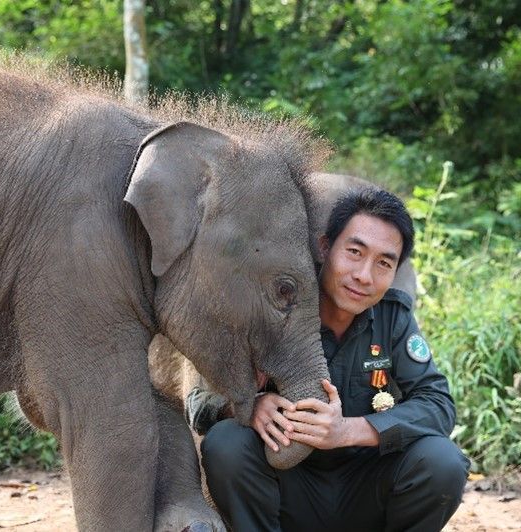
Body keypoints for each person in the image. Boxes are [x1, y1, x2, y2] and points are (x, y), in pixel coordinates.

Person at [186, 188, 469, 532]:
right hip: (287, 487)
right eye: (354, 252)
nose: (364, 275)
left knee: (443, 462)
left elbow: (438, 405)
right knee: (227, 443)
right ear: (324, 248)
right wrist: (247, 406)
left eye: (383, 263)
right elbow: (198, 403)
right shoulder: (274, 307)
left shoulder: (392, 318)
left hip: (366, 488)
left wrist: (350, 431)